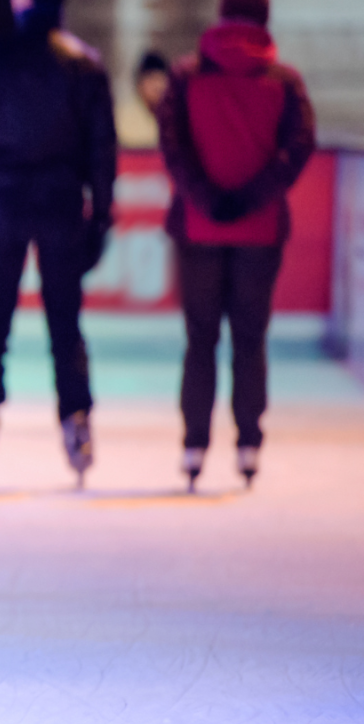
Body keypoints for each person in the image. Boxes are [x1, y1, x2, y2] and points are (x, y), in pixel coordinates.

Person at [0, 0, 115, 489]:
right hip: (59, 201)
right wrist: (102, 215)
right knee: (64, 323)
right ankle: (77, 423)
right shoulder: (83, 64)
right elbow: (101, 148)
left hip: (4, 203)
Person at [157, 0, 313, 492]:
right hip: (260, 231)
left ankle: (194, 443)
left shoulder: (185, 78)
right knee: (250, 339)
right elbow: (298, 148)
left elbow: (173, 146)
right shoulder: (285, 83)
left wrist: (205, 198)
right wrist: (252, 197)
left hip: (199, 228)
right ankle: (248, 442)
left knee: (199, 339)